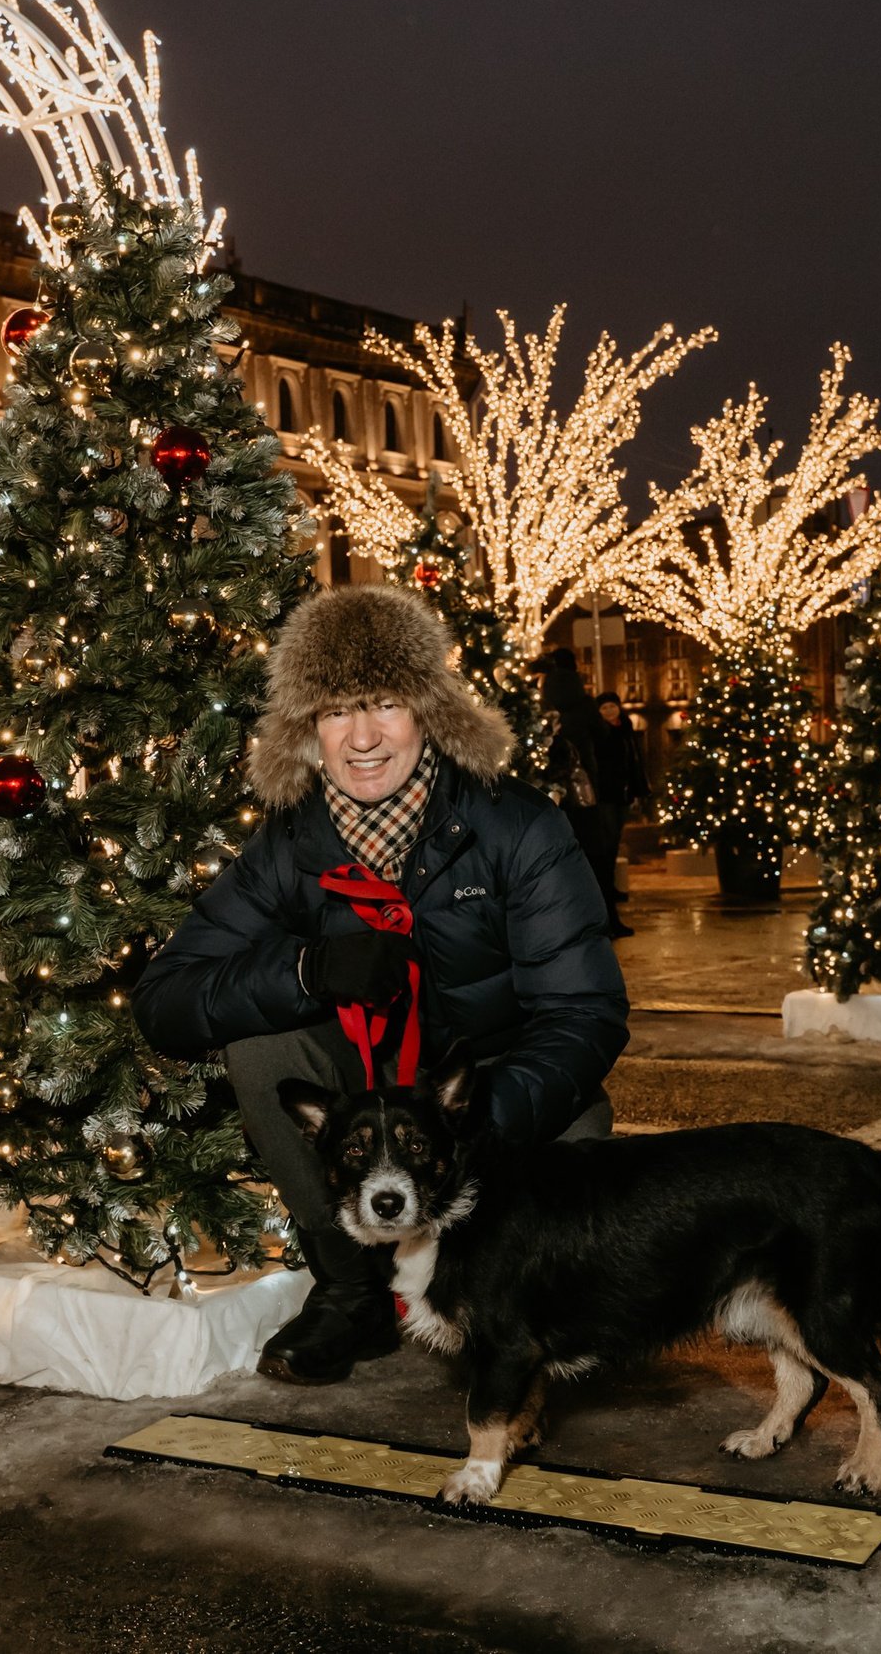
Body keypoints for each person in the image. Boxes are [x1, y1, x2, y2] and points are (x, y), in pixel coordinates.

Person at [134, 585, 629, 1384]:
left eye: (384, 704)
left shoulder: (516, 827)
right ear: (308, 730)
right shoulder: (294, 844)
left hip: (497, 1105)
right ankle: (353, 1289)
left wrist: (473, 1120)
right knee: (260, 1044)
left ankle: (499, 1282)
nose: (361, 737)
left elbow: (585, 1014)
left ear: (427, 710)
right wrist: (307, 971)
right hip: (364, 1103)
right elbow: (165, 1000)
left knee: (568, 1196)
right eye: (335, 711)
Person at [533, 647, 622, 936]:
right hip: (584, 792)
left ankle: (567, 922)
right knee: (596, 857)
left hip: (550, 791)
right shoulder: (584, 703)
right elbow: (603, 735)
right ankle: (606, 919)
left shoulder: (542, 701)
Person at [591, 690, 651, 938]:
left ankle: (611, 904)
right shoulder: (599, 735)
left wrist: (639, 790)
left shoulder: (626, 729)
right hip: (605, 798)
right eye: (604, 708)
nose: (609, 711)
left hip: (621, 797)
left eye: (612, 706)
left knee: (613, 848)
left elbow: (634, 763)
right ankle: (607, 911)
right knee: (606, 851)